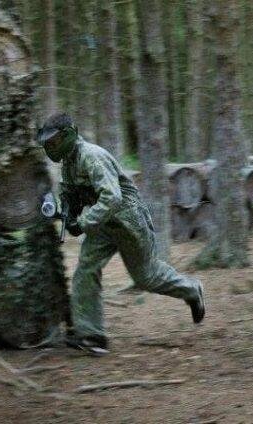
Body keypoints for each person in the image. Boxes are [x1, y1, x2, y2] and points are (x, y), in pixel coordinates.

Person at [37, 113, 205, 355]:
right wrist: (68, 213)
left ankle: (192, 290)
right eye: (47, 144)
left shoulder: (91, 157)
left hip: (128, 222)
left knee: (147, 277)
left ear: (68, 135)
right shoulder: (70, 163)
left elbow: (112, 197)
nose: (50, 148)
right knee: (86, 269)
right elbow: (72, 194)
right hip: (103, 225)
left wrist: (83, 222)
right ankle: (91, 335)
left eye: (53, 142)